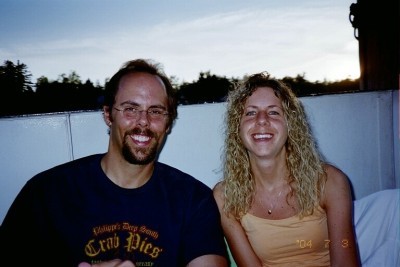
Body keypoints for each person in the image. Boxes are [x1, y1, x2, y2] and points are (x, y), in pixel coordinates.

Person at [0, 59, 228, 267]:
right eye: (130, 109)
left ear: (168, 123)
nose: (143, 122)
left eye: (156, 111)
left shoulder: (193, 199)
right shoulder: (46, 193)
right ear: (108, 115)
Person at [213, 72, 360, 267]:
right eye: (250, 112)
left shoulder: (329, 181)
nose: (262, 120)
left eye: (273, 112)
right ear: (237, 129)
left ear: (291, 125)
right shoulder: (225, 197)